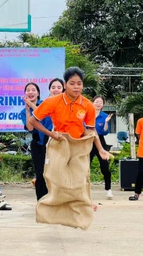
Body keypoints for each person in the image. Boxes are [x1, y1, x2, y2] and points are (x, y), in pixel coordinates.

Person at [25, 67, 111, 219]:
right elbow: (33, 121)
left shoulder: (87, 105)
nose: (76, 87)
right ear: (65, 85)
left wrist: (101, 149)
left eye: (79, 83)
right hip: (59, 143)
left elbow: (90, 131)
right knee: (54, 176)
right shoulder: (53, 101)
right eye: (72, 83)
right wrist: (51, 133)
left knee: (81, 175)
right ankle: (50, 205)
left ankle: (85, 203)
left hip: (79, 144)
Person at [91, 95, 114, 199]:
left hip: (100, 141)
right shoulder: (87, 114)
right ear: (92, 102)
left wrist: (106, 122)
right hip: (88, 140)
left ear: (103, 105)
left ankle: (108, 189)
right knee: (84, 166)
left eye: (100, 102)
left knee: (105, 167)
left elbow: (105, 132)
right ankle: (83, 189)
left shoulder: (104, 116)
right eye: (96, 101)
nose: (98, 103)